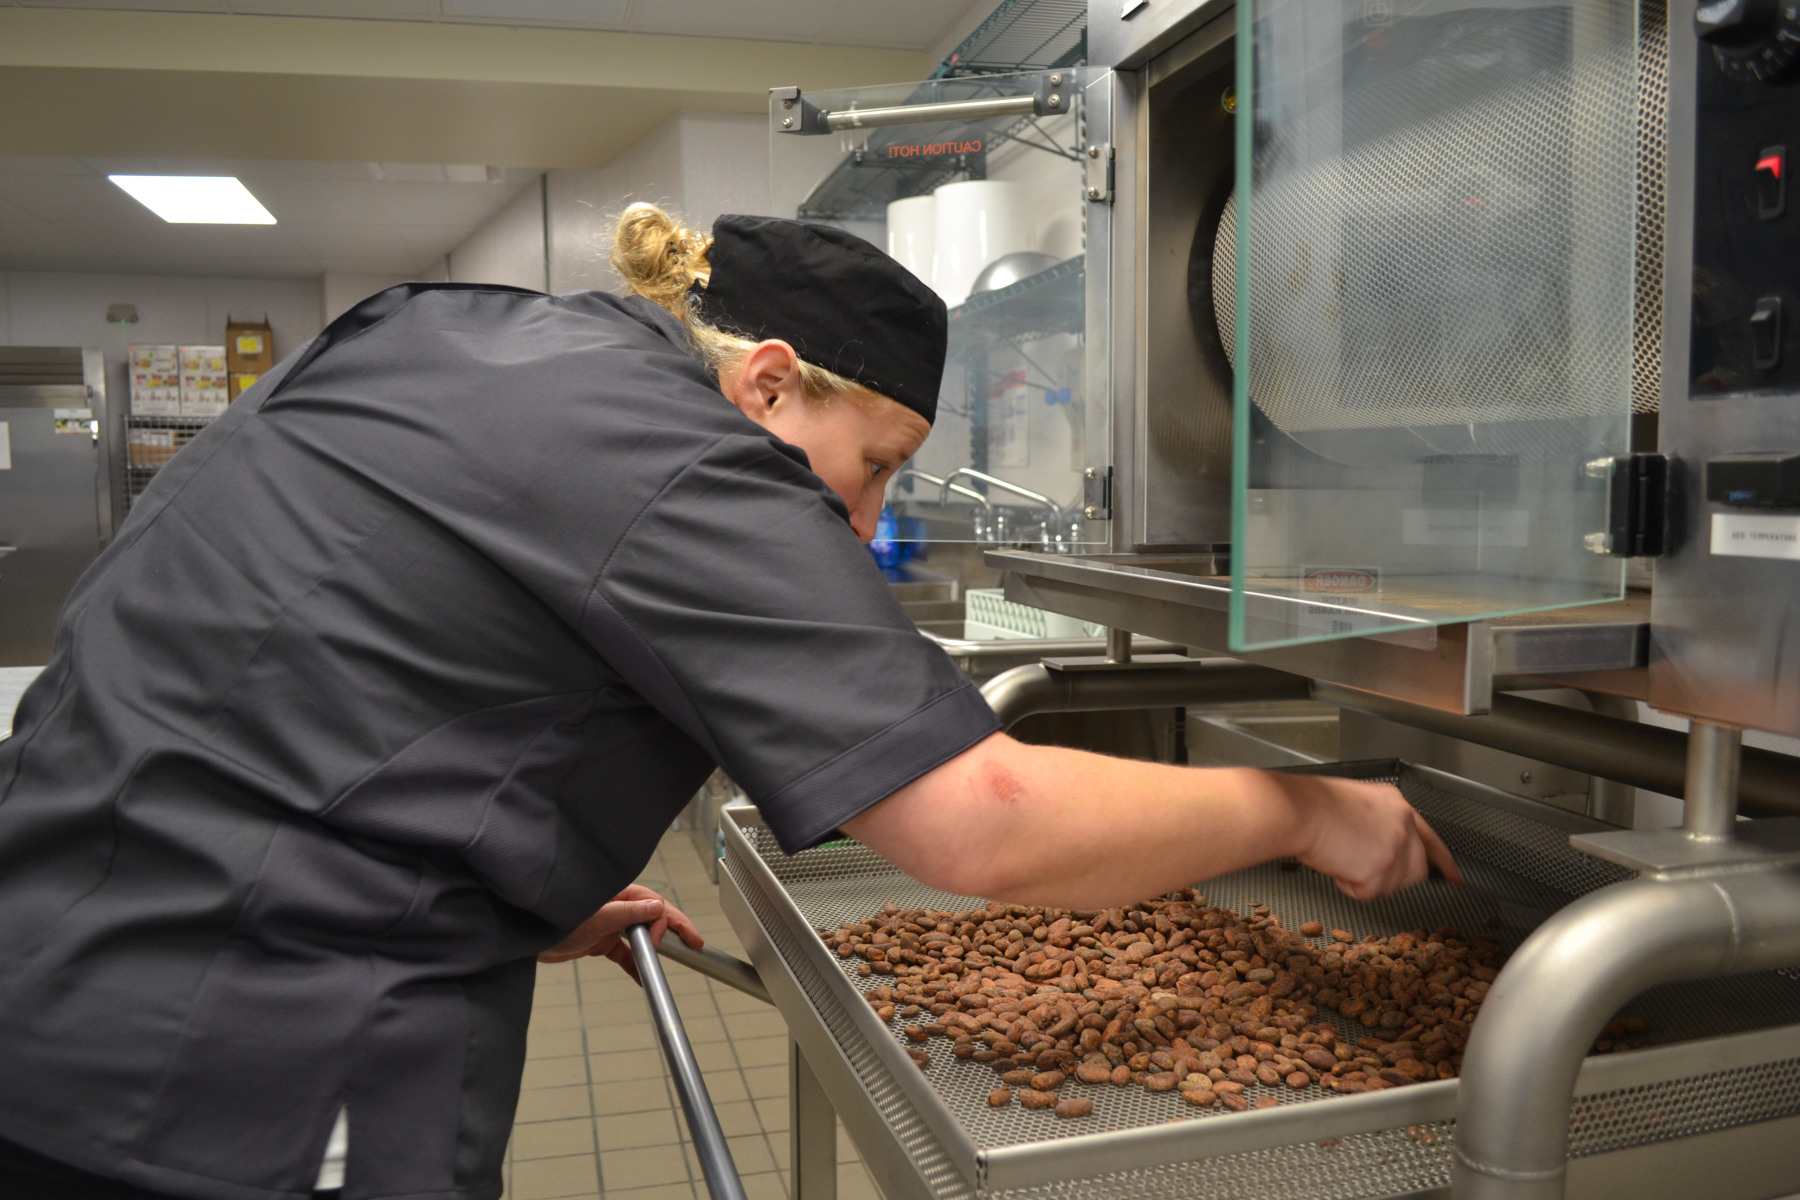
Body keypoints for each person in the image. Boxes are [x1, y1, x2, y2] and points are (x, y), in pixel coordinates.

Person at [0, 204, 1457, 1200]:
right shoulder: (684, 456)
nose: (866, 515)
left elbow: (293, 646)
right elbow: (987, 823)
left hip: (49, 973)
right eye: (874, 463)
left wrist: (498, 874)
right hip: (230, 1081)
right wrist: (1308, 804)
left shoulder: (440, 333)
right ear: (766, 382)